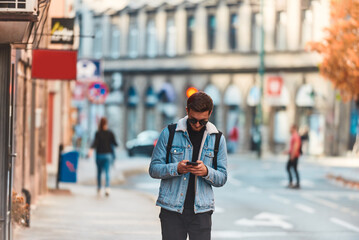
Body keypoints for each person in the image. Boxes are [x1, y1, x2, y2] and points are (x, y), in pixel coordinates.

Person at [149, 91, 228, 240]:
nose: (197, 124)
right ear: (187, 111)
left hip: (201, 211)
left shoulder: (217, 138)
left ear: (210, 113)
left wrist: (206, 172)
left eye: (202, 121)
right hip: (171, 209)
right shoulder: (169, 133)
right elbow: (154, 169)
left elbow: (222, 178)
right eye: (193, 120)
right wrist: (176, 168)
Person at [89, 117, 118, 197]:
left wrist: (90, 151)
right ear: (106, 123)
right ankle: (107, 188)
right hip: (108, 156)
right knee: (107, 172)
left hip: (99, 155)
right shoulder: (110, 133)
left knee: (99, 172)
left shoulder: (97, 133)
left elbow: (94, 143)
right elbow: (115, 143)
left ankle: (99, 187)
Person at [285, 124, 302, 189]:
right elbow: (292, 147)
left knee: (289, 168)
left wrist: (292, 155)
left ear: (294, 128)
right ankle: (295, 183)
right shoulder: (294, 136)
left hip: (294, 155)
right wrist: (288, 152)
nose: (289, 129)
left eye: (291, 128)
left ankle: (293, 182)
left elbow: (296, 146)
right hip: (293, 154)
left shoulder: (295, 136)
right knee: (293, 169)